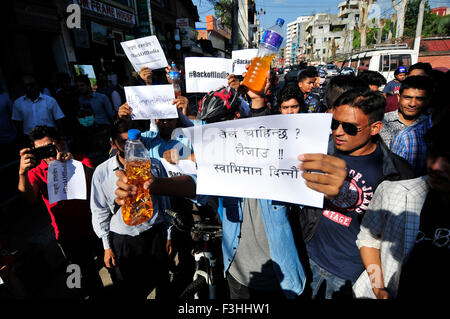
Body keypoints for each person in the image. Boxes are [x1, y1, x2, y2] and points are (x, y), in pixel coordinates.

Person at [298, 89, 414, 299]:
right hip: (309, 258)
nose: (339, 132)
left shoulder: (397, 175)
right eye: (335, 124)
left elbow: (382, 238)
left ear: (375, 128)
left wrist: (377, 283)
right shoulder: (318, 152)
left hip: (352, 274)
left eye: (350, 127)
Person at [90, 119, 197, 299]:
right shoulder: (102, 172)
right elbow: (99, 210)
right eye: (124, 142)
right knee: (129, 288)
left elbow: (165, 203)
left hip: (155, 233)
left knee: (162, 282)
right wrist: (107, 246)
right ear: (113, 143)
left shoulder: (154, 165)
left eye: (135, 141)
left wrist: (168, 234)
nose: (130, 146)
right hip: (123, 239)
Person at [353, 118, 450, 299]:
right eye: (433, 154)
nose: (436, 167)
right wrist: (379, 288)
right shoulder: (393, 191)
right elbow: (369, 239)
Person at [18, 125, 102, 298]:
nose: (48, 153)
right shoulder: (35, 172)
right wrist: (22, 173)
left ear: (61, 144)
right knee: (81, 278)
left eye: (50, 147)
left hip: (96, 227)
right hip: (67, 235)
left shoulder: (80, 160)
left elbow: (97, 180)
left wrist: (73, 165)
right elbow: (28, 199)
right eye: (41, 150)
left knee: (114, 268)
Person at [379, 76, 431, 148]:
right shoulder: (382, 122)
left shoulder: (429, 125)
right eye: (408, 98)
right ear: (398, 97)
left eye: (419, 99)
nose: (412, 104)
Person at [12, 74, 65, 143]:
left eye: (31, 85)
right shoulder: (18, 103)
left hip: (50, 137)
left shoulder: (50, 100)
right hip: (29, 139)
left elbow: (59, 119)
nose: (29, 88)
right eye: (26, 86)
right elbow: (18, 122)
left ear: (37, 84)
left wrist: (61, 136)